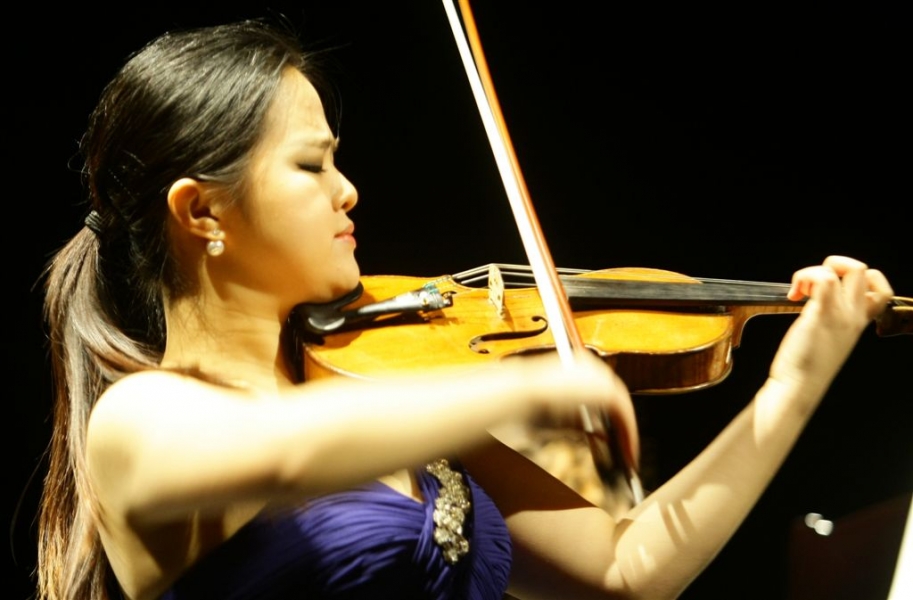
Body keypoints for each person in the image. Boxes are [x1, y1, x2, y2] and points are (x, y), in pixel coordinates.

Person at [35, 17, 896, 600]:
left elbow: (626, 571)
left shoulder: (382, 399)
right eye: (310, 165)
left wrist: (794, 384)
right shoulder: (142, 420)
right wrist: (518, 388)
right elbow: (286, 455)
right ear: (201, 212)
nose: (347, 190)